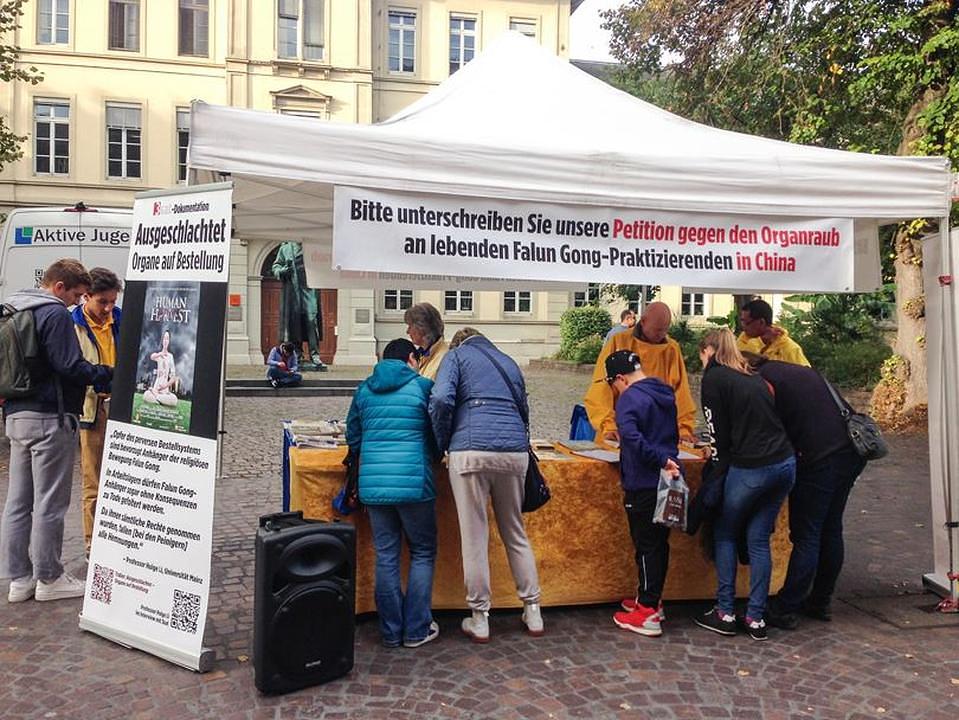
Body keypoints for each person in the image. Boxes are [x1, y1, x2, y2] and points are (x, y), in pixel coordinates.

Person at [2, 259, 112, 602]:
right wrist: (107, 373)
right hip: (51, 416)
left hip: (16, 415)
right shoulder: (54, 313)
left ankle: (19, 580)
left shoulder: (13, 309)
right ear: (59, 286)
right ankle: (49, 579)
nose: (77, 302)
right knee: (50, 502)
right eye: (76, 295)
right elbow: (70, 366)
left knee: (17, 503)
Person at [429, 327, 543, 642]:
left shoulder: (455, 357)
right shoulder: (508, 361)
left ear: (458, 343)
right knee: (515, 532)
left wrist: (442, 443)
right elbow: (524, 410)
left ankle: (480, 617)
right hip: (514, 452)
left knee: (474, 536)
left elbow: (440, 398)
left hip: (470, 450)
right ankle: (533, 609)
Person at [744, 354, 867, 629]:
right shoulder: (797, 371)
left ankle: (786, 607)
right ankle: (820, 600)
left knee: (807, 534)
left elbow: (767, 428)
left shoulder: (764, 381)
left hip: (820, 458)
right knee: (831, 527)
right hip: (849, 451)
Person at [694, 328, 795, 641]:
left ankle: (725, 612)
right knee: (758, 539)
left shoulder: (714, 378)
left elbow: (717, 433)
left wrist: (714, 468)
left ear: (708, 352)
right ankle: (755, 617)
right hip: (784, 463)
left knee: (725, 532)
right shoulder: (749, 373)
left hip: (751, 468)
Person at [346, 338, 439, 648]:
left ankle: (390, 631)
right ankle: (416, 630)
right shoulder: (423, 387)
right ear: (412, 358)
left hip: (374, 485)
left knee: (386, 555)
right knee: (422, 552)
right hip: (414, 482)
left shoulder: (364, 389)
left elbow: (353, 436)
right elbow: (435, 431)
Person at [604, 350, 681, 638]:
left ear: (620, 378)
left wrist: (659, 459)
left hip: (643, 480)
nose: (614, 389)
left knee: (646, 544)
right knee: (658, 542)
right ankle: (650, 597)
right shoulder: (664, 392)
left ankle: (647, 611)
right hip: (666, 480)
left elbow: (632, 437)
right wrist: (667, 459)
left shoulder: (629, 398)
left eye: (612, 383)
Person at [584, 301, 697, 443]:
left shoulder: (672, 349)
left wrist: (683, 429)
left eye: (665, 330)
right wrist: (609, 426)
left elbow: (681, 393)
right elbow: (601, 388)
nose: (661, 335)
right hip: (619, 432)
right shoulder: (618, 342)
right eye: (657, 330)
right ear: (643, 322)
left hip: (658, 434)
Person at [72, 267, 122, 556]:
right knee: (93, 479)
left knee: (122, 477)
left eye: (112, 301)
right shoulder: (73, 324)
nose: (108, 308)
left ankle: (120, 537)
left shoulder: (121, 318)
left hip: (121, 407)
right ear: (86, 296)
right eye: (102, 302)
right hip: (92, 408)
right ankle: (93, 543)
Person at [272, 241, 326, 369]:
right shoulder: (285, 248)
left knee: (311, 321)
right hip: (293, 290)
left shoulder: (314, 246)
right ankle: (298, 354)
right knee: (295, 323)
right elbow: (276, 266)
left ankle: (314, 355)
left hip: (310, 290)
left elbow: (323, 264)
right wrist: (283, 270)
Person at [737, 299, 810, 366]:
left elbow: (805, 374)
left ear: (761, 322)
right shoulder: (743, 339)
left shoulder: (790, 349)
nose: (743, 327)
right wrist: (759, 342)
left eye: (746, 323)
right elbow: (737, 361)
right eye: (742, 322)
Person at [404, 302, 449, 381]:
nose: (407, 332)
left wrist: (414, 376)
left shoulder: (444, 358)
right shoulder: (424, 353)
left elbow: (428, 386)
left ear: (422, 329)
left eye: (410, 327)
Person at [143, 330, 177, 406]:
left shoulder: (170, 356)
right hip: (156, 387)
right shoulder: (158, 354)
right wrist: (160, 354)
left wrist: (165, 386)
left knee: (174, 400)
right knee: (146, 395)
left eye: (167, 339)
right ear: (162, 341)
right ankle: (158, 398)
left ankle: (156, 397)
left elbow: (173, 377)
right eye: (164, 338)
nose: (165, 341)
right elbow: (152, 357)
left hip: (164, 389)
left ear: (169, 341)